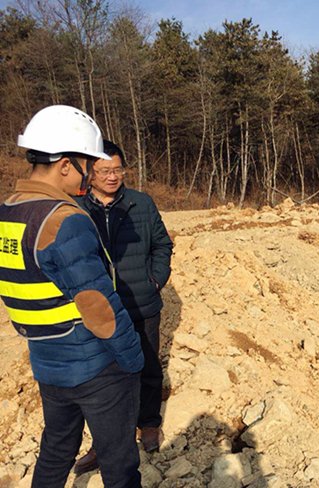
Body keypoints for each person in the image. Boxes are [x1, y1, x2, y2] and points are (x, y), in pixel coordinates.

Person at [0, 105, 144, 487]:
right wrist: (132, 360)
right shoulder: (64, 219)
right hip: (95, 367)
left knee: (56, 449)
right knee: (120, 463)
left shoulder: (8, 212)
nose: (91, 173)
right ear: (65, 165)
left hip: (47, 362)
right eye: (86, 163)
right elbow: (99, 308)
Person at [73, 139, 173, 473]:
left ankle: (148, 423)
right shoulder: (75, 209)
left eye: (117, 169)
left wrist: (155, 280)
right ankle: (105, 442)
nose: (112, 177)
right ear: (90, 173)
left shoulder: (141, 203)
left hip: (141, 303)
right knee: (102, 378)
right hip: (98, 310)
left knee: (147, 366)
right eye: (104, 171)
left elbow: (162, 244)